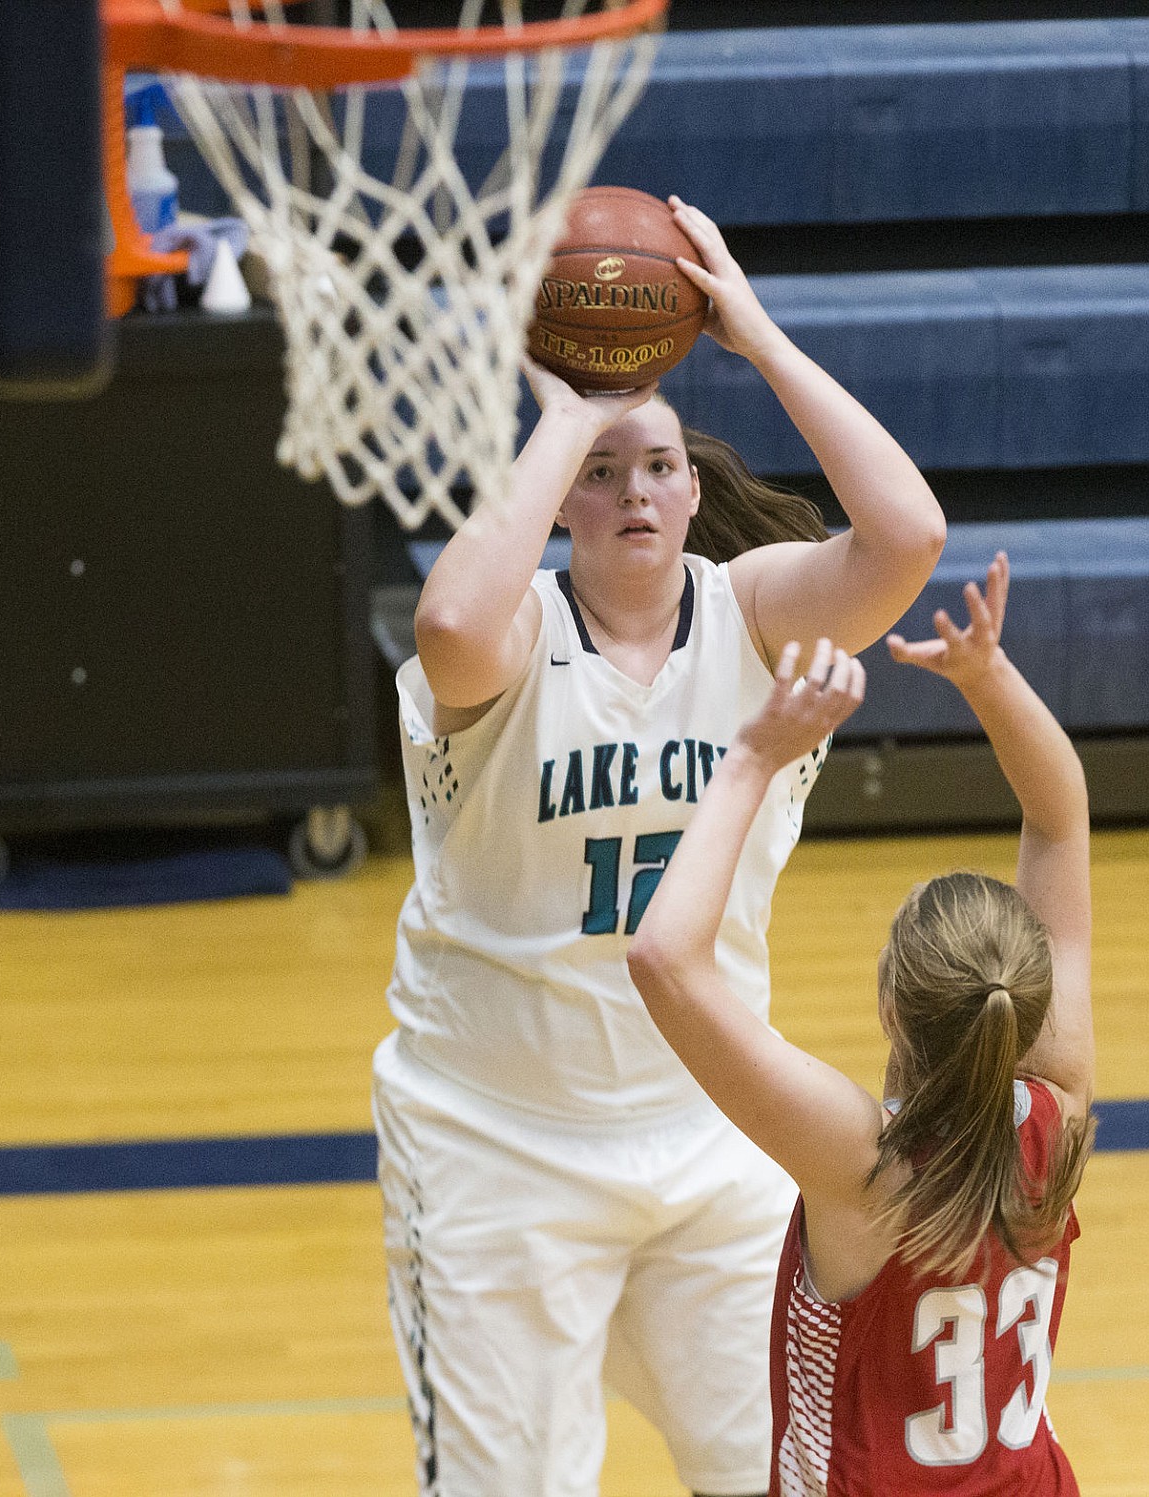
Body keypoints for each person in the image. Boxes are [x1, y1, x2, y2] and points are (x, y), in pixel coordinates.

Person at [372, 195, 946, 1497]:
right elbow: (448, 624)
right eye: (599, 473)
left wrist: (753, 334)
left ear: (693, 490)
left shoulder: (753, 614)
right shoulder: (509, 633)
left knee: (786, 1477)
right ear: (559, 499)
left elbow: (906, 535)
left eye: (657, 465)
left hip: (711, 1131)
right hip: (495, 1138)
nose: (633, 489)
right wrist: (574, 406)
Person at [628, 552, 1096, 1495]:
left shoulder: (862, 1163)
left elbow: (662, 959)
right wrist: (989, 677)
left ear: (891, 1006)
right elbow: (1061, 821)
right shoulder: (1062, 1105)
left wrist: (753, 758)